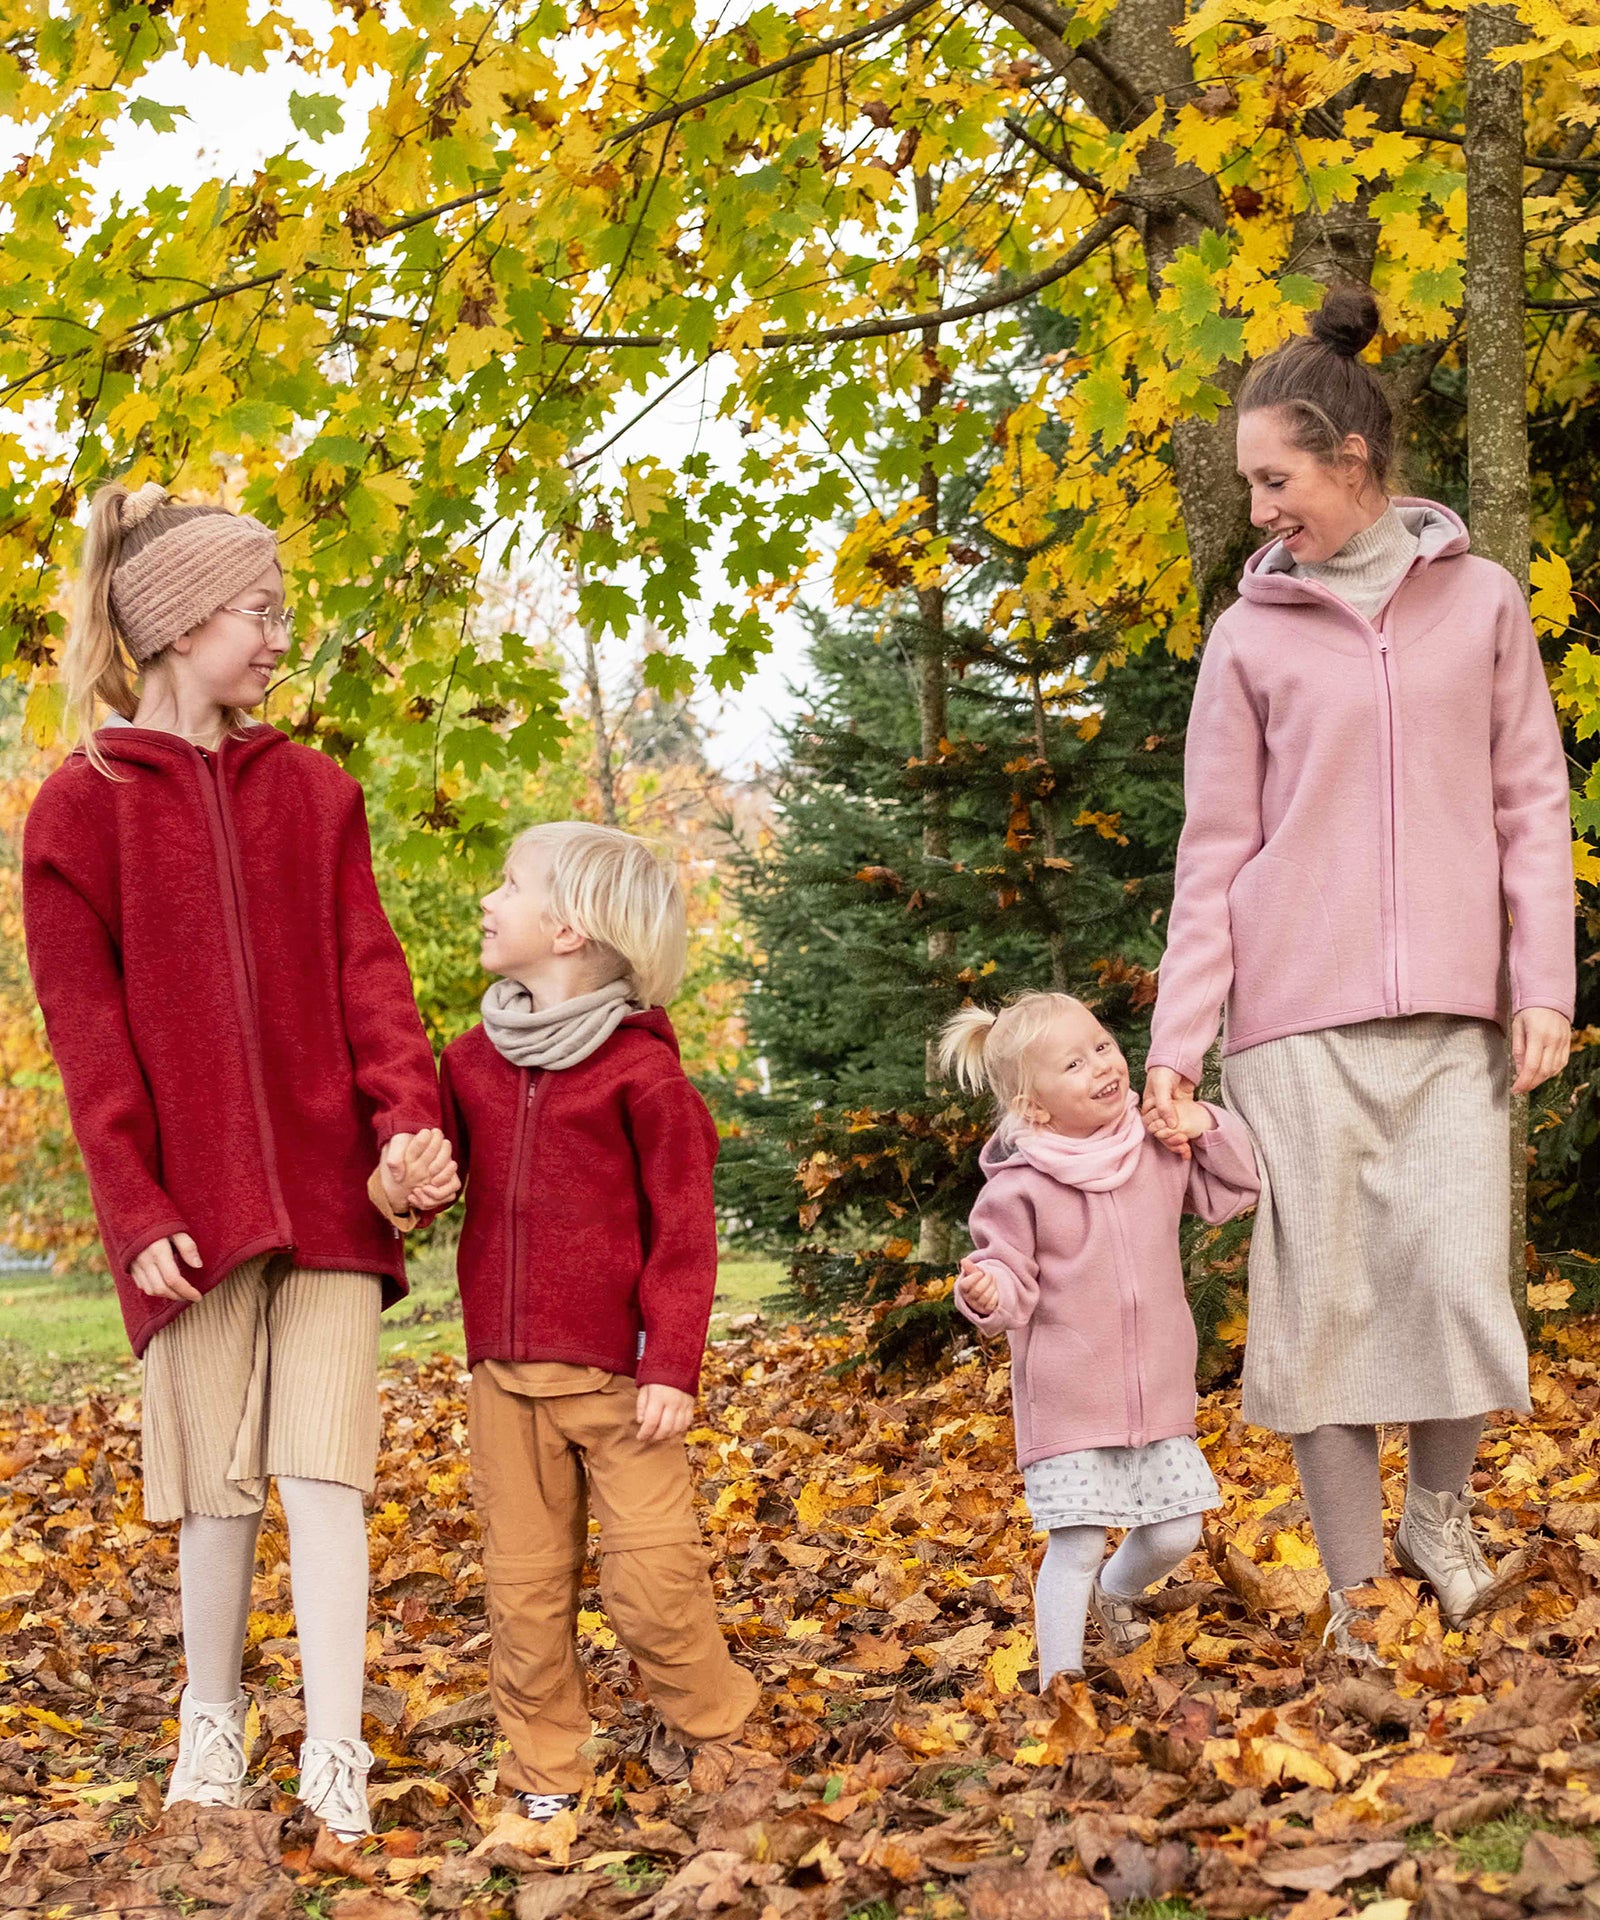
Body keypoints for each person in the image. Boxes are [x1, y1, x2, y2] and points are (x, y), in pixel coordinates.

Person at [1142, 286, 1576, 1661]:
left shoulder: (1483, 601)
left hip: (1456, 1009)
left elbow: (1529, 804)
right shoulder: (1249, 637)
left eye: (1276, 479)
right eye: (1250, 485)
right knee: (1320, 1304)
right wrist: (1177, 1041)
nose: (1261, 508)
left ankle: (1437, 1516)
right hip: (1293, 1022)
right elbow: (1214, 852)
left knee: (1456, 1280)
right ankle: (1352, 1597)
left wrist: (1544, 983)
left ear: (1353, 459)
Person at [23, 480, 457, 1837]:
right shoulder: (76, 815)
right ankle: (210, 1724)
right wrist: (130, 1198)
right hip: (188, 1219)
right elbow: (87, 1038)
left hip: (334, 1203)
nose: (278, 637)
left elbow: (372, 979)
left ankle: (337, 1755)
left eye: (281, 612)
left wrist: (406, 1127)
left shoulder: (316, 794)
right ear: (172, 623)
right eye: (258, 612)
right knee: (216, 1490)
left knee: (327, 1475)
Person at [434, 820, 759, 1818]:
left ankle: (722, 1737)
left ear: (570, 928)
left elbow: (685, 1236)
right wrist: (406, 1176)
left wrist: (672, 1364)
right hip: (506, 1380)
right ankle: (543, 1778)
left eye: (509, 882)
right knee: (524, 1593)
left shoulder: (642, 1077)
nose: (488, 899)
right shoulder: (469, 1064)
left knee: (653, 1584)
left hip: (622, 1382)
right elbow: (431, 1180)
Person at [941, 992, 1259, 1684]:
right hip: (1071, 1399)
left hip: (1158, 1389)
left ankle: (1115, 1595)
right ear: (1034, 1107)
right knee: (1077, 1543)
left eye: (1104, 1046)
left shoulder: (1151, 1146)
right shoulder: (1019, 1188)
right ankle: (1061, 1683)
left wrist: (1201, 1121)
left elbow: (1235, 1187)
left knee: (1179, 1530)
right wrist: (985, 1290)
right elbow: (1007, 1274)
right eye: (1074, 1063)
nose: (1103, 1066)